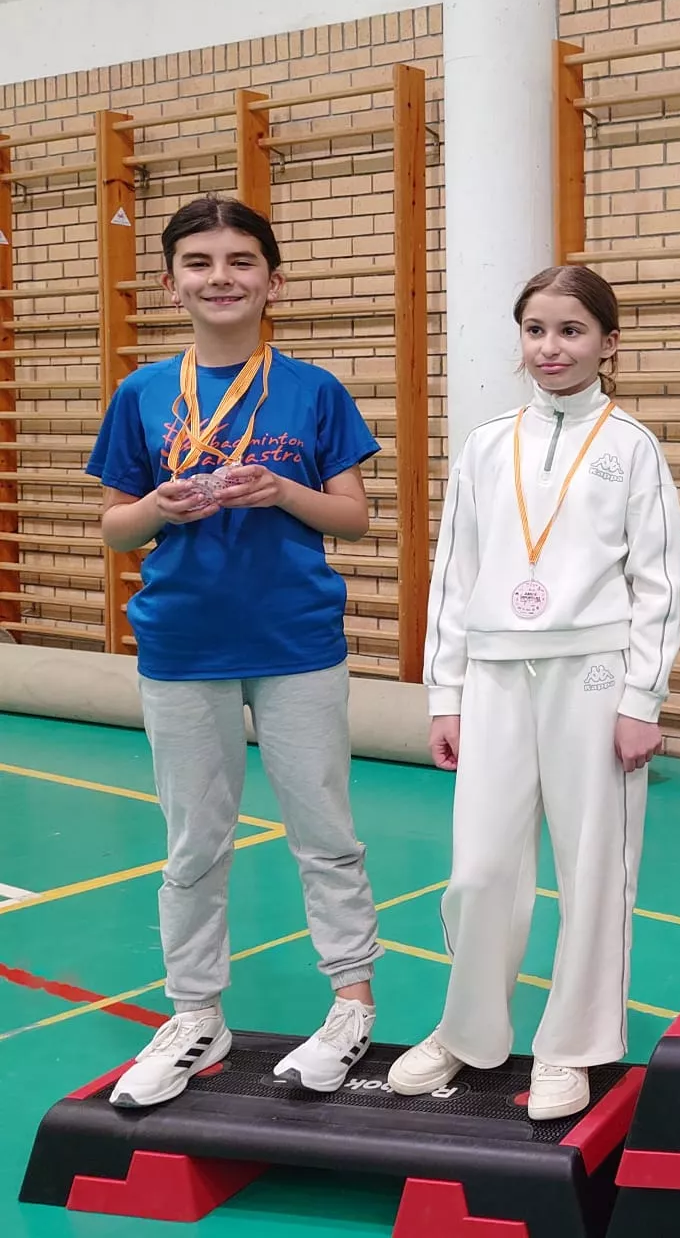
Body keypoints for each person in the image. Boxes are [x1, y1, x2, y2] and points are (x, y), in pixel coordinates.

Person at [87, 195, 384, 1106]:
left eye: (242, 261)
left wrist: (284, 493)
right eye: (201, 262)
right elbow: (114, 532)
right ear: (172, 282)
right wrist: (157, 509)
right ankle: (195, 1014)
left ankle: (349, 1005)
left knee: (325, 834)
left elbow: (357, 516)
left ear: (273, 281)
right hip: (181, 645)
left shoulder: (313, 389)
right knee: (193, 846)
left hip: (296, 643)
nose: (222, 277)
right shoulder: (141, 394)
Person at [390, 264, 680, 1120]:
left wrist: (642, 700)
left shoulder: (631, 447)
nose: (550, 348)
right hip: (491, 677)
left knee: (595, 870)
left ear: (608, 342)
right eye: (534, 330)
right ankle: (466, 1032)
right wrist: (444, 694)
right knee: (480, 871)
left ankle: (573, 1047)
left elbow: (659, 582)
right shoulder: (486, 445)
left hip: (593, 679)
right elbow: (455, 576)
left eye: (571, 331)